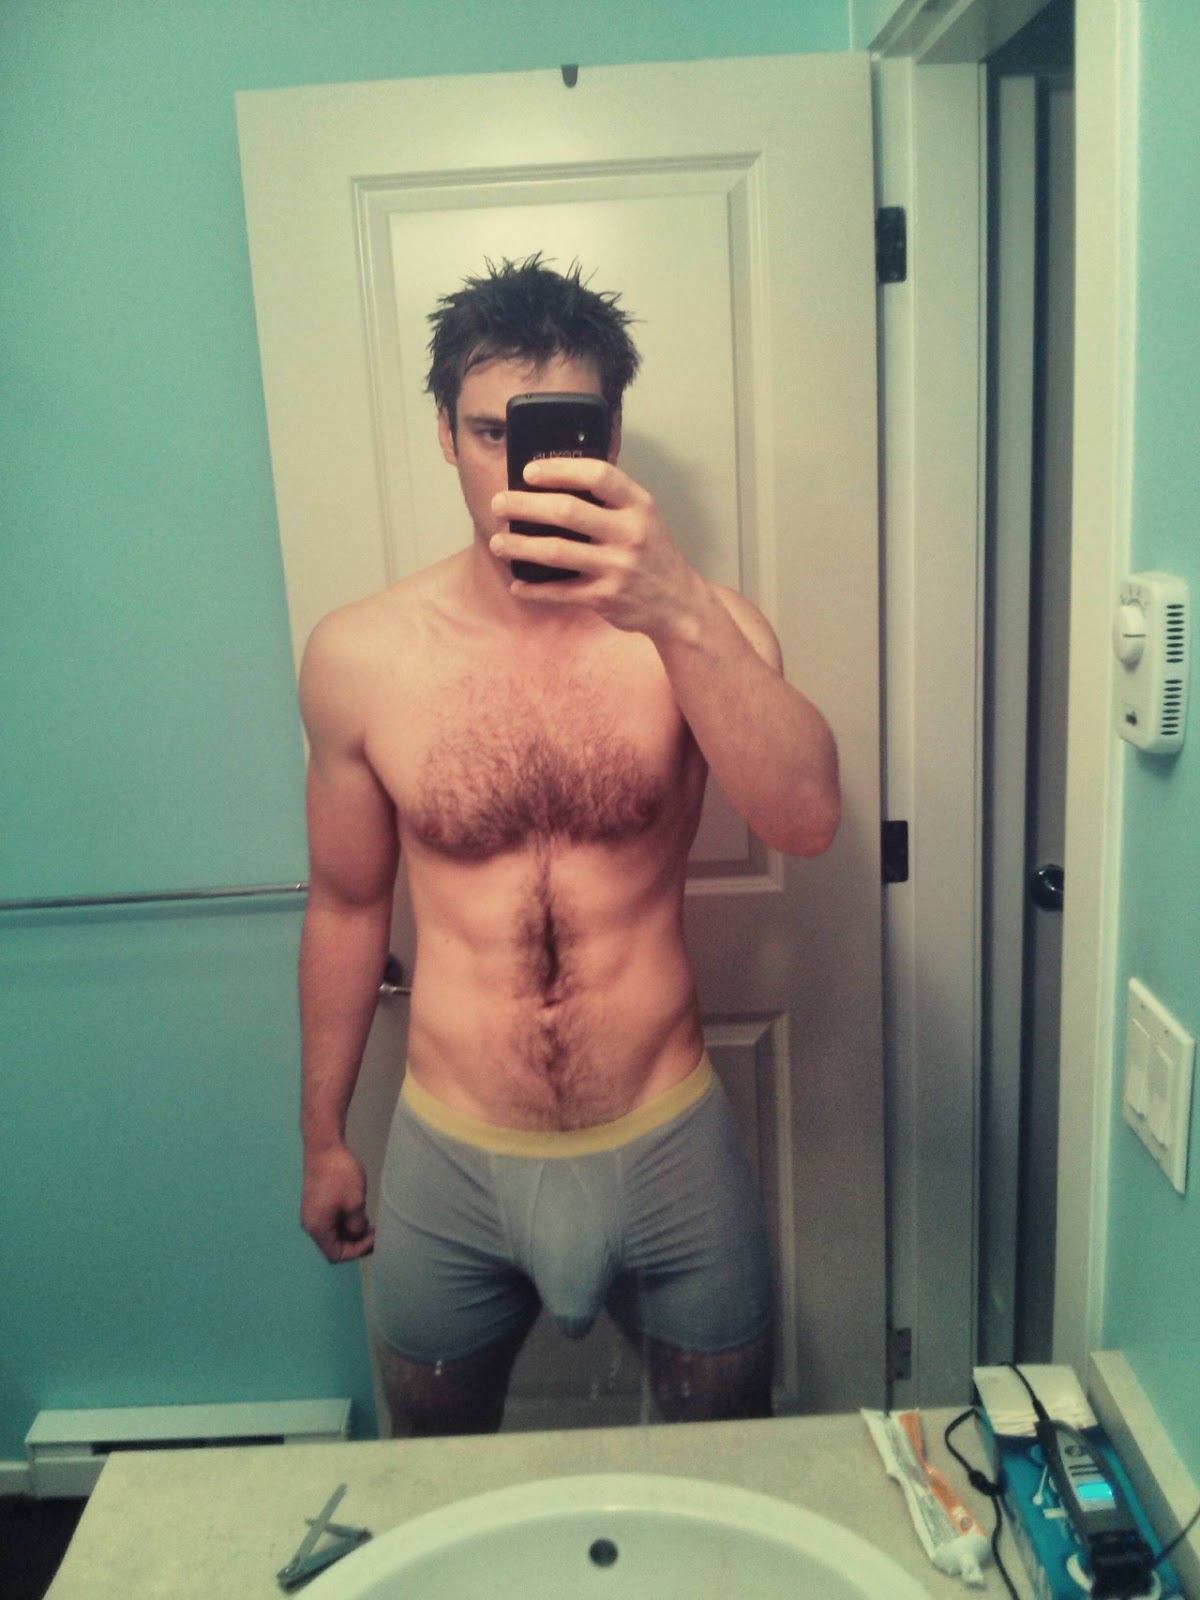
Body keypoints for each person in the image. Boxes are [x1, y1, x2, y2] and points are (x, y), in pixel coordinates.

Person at [297, 256, 841, 1436]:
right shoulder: (359, 656)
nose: (518, 467)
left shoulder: (703, 630)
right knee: (435, 1482)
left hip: (668, 1139)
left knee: (725, 1471)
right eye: (489, 432)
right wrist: (322, 1136)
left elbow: (808, 819)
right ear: (444, 434)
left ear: (609, 436)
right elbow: (344, 904)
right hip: (450, 1153)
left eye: (555, 431)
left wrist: (676, 606)